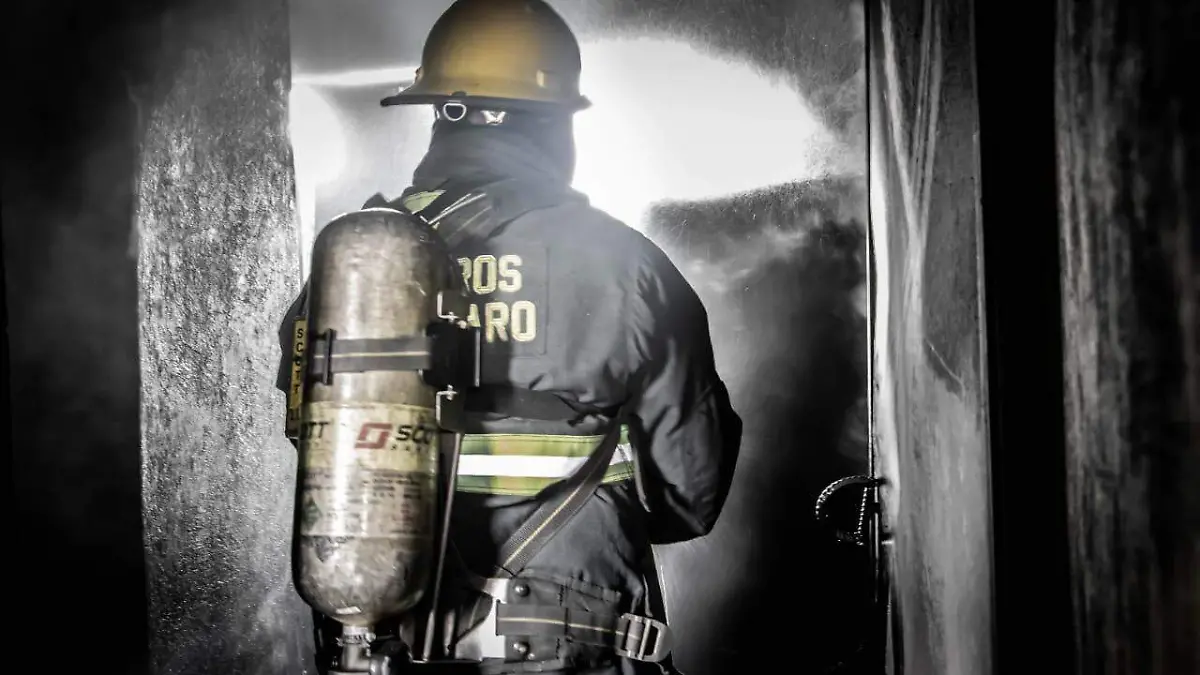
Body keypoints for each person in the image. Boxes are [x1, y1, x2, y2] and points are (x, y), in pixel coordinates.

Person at [280, 1, 742, 673]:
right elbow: (688, 498)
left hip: (385, 642)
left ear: (439, 114)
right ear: (554, 123)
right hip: (568, 643)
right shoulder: (626, 265)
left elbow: (318, 440)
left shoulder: (354, 268)